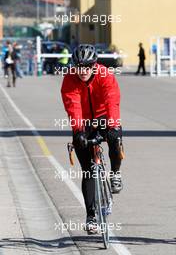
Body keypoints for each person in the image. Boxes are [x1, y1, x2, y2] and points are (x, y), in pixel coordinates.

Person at [61, 44, 124, 234]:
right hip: (84, 122)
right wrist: (78, 131)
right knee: (88, 170)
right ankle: (90, 217)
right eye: (79, 66)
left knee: (114, 138)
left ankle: (115, 173)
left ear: (94, 65)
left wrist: (112, 125)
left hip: (105, 116)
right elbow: (73, 107)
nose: (82, 71)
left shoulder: (105, 75)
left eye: (87, 67)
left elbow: (112, 100)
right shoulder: (70, 79)